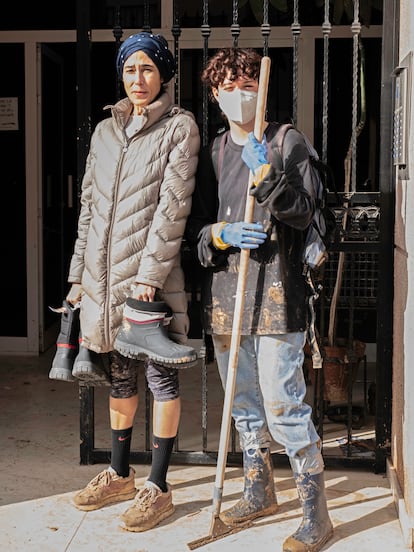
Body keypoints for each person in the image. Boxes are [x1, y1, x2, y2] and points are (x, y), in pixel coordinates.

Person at [185, 47, 333, 552]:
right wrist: (223, 234)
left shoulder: (287, 141)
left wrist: (268, 177)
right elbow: (197, 234)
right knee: (243, 403)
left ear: (261, 88)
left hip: (277, 292)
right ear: (215, 94)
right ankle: (258, 488)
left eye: (248, 84)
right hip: (228, 294)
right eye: (229, 86)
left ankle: (316, 512)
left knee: (281, 401)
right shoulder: (217, 152)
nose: (239, 94)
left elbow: (304, 210)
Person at [67, 31, 200, 533]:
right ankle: (120, 473)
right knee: (120, 378)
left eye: (147, 68)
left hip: (151, 283)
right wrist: (78, 275)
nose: (138, 79)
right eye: (129, 69)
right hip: (103, 281)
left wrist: (148, 277)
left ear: (164, 73)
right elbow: (89, 210)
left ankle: (158, 485)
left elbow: (172, 209)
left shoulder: (180, 127)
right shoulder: (104, 132)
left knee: (160, 377)